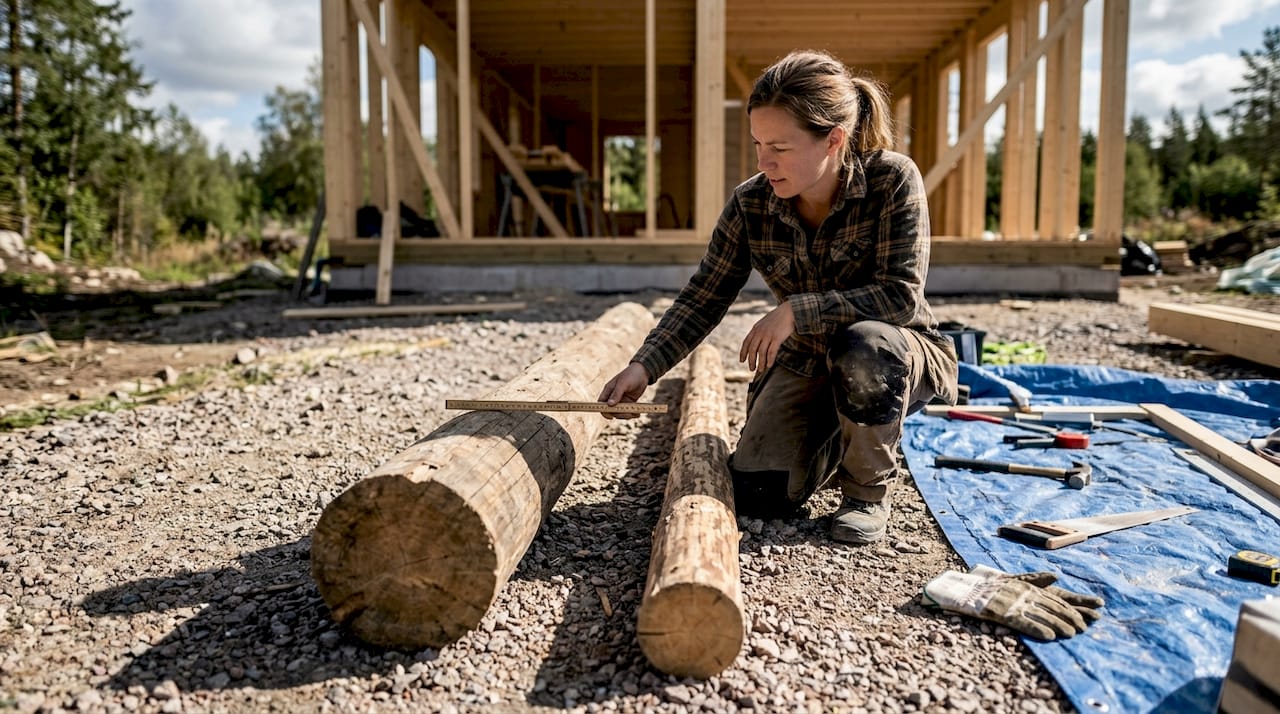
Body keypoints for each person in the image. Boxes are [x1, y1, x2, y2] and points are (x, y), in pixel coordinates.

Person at [597, 49, 959, 544]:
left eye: (781, 148)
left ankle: (866, 491)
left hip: (896, 353)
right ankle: (840, 430)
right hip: (807, 361)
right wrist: (643, 367)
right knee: (757, 493)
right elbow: (704, 295)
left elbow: (899, 296)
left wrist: (797, 309)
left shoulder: (892, 180)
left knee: (865, 345)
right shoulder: (752, 202)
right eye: (758, 144)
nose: (765, 162)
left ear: (833, 139)